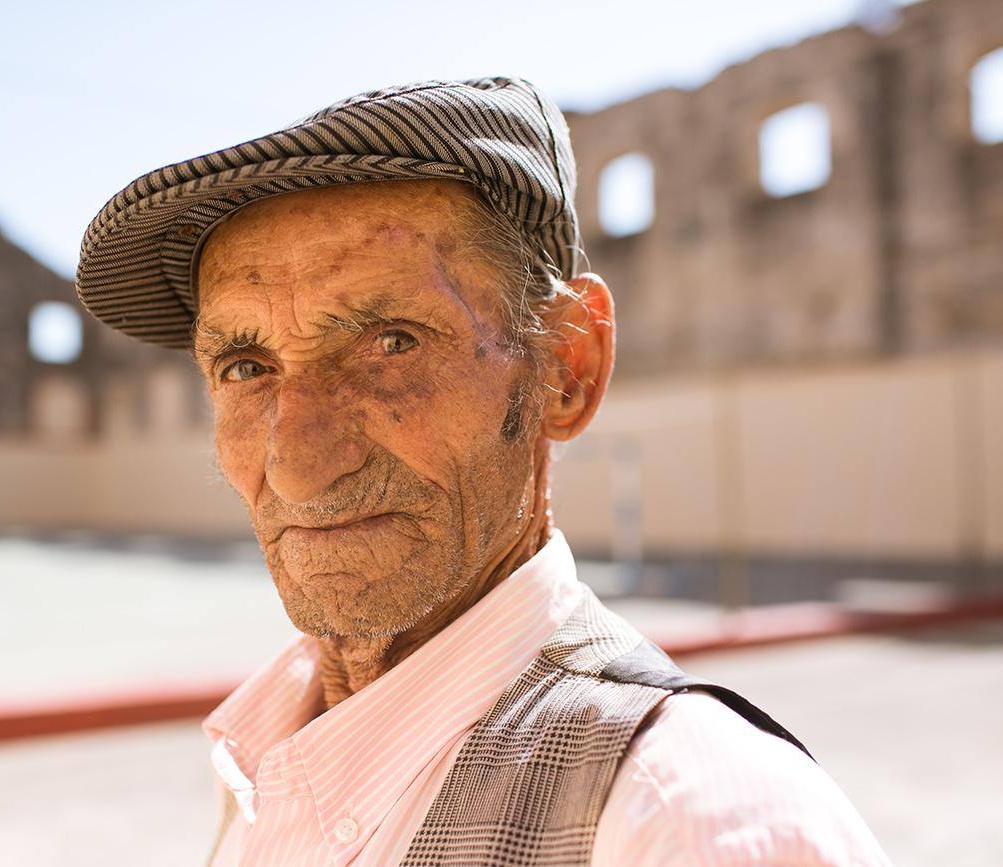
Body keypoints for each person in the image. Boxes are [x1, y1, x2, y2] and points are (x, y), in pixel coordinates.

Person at [75, 77, 891, 866]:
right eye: (246, 367)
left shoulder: (684, 823)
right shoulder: (266, 752)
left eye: (391, 343)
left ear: (566, 368)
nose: (295, 469)